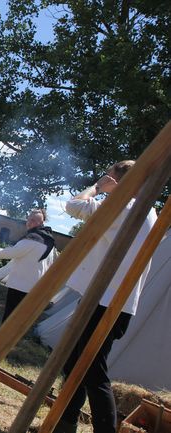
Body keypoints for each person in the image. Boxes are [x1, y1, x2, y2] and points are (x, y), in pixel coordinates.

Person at [53, 160, 157, 433]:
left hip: (106, 301)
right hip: (110, 300)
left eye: (110, 177)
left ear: (117, 180)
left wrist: (98, 186)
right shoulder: (148, 211)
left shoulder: (127, 207)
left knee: (91, 370)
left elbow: (74, 206)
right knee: (75, 363)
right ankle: (65, 423)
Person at [0, 209, 56, 322]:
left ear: (41, 223)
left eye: (34, 220)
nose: (29, 222)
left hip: (21, 285)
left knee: (10, 316)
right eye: (29, 219)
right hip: (35, 287)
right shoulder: (50, 241)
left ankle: (2, 338)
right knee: (19, 318)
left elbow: (7, 253)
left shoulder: (32, 239)